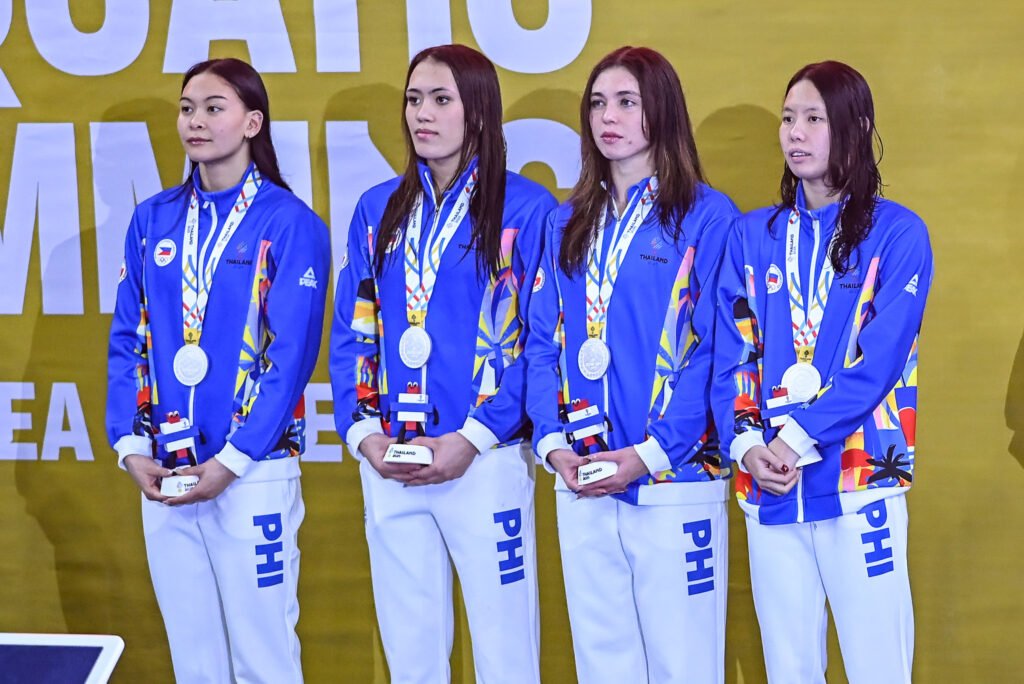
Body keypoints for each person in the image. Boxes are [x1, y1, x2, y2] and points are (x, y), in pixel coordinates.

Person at [329, 44, 556, 683]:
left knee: (505, 656)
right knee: (412, 658)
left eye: (441, 99)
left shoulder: (527, 208)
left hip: (482, 459)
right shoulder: (378, 208)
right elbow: (355, 331)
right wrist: (364, 434)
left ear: (478, 111)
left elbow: (538, 342)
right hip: (392, 459)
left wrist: (474, 438)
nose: (421, 114)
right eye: (412, 99)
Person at [106, 57, 329, 683]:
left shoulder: (289, 224)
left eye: (214, 107)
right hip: (167, 470)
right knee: (195, 665)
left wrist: (233, 461)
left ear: (253, 121)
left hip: (251, 472)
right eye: (186, 108)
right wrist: (130, 445)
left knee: (264, 660)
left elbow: (290, 359)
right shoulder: (152, 220)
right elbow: (128, 338)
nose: (195, 121)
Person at [712, 60, 933, 684]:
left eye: (815, 118)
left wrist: (792, 439)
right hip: (769, 487)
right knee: (788, 670)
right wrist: (750, 444)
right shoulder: (752, 235)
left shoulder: (898, 234)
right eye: (788, 118)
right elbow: (732, 352)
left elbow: (880, 363)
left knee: (878, 668)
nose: (796, 133)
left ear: (855, 129)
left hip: (862, 482)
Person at [525, 46, 737, 683]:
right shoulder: (566, 222)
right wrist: (554, 443)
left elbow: (714, 349)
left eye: (627, 102)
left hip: (673, 481)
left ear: (662, 112)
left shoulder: (706, 215)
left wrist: (650, 454)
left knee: (684, 668)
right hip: (583, 475)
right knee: (604, 668)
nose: (606, 117)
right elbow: (541, 341)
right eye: (596, 102)